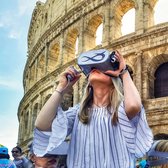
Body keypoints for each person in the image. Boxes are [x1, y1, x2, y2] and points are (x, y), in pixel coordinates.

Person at [33, 50, 153, 168]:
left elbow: (134, 106)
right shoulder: (78, 113)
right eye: (92, 69)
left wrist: (124, 72)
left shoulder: (120, 110)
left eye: (102, 67)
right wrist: (61, 89)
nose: (94, 68)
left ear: (114, 81)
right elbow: (42, 125)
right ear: (89, 84)